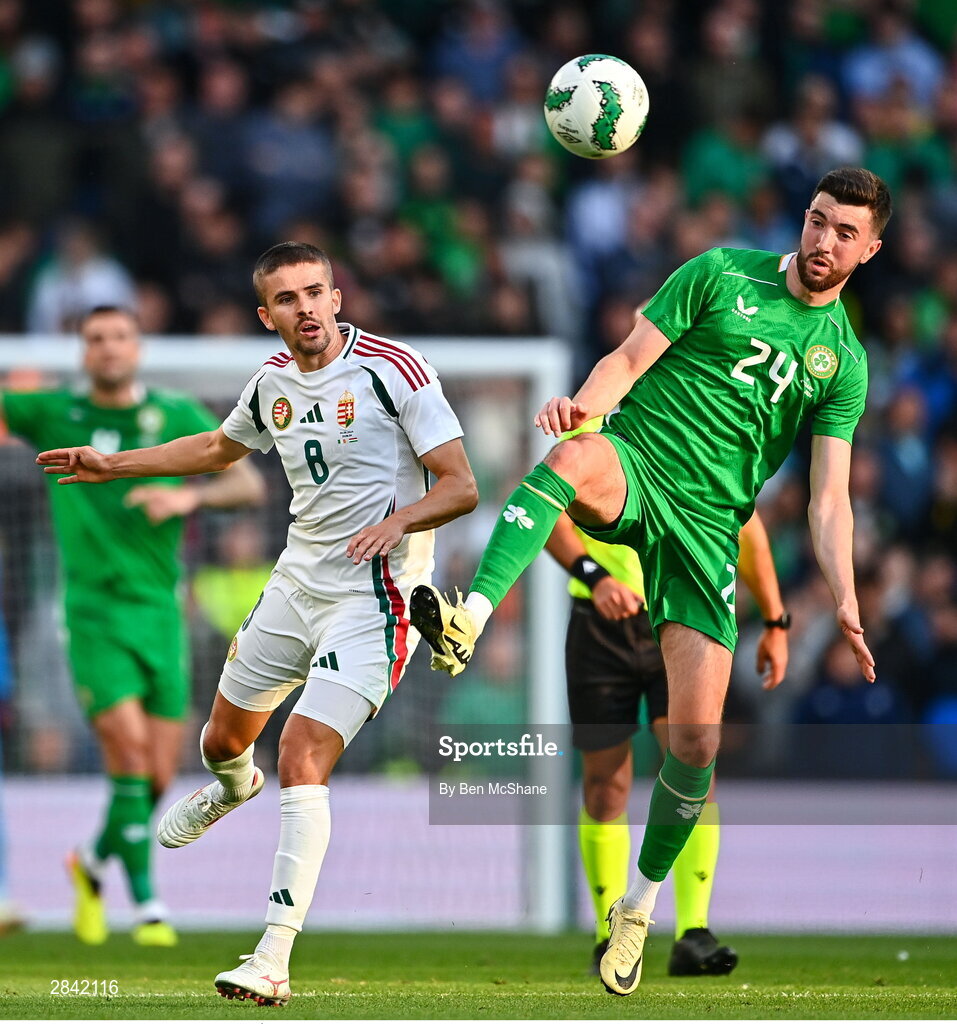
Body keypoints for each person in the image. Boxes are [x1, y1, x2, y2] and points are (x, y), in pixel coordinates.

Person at [410, 167, 890, 994]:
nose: (822, 242)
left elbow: (828, 500)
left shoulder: (841, 362)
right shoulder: (719, 273)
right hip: (635, 463)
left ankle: (638, 909)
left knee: (694, 748)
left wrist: (842, 599)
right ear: (801, 219)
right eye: (816, 222)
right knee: (565, 458)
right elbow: (627, 357)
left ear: (870, 249)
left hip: (710, 531)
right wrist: (584, 409)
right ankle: (470, 614)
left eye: (844, 233)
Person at [36, 242, 477, 1006]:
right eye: (287, 298)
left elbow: (461, 485)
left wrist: (397, 523)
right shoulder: (270, 382)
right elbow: (215, 449)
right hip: (293, 586)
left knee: (303, 754)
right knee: (219, 745)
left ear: (337, 298)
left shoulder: (394, 369)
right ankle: (233, 788)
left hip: (377, 598)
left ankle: (270, 959)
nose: (304, 308)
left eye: (315, 293)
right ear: (264, 314)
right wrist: (114, 465)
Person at [1, 305, 265, 946]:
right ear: (83, 352)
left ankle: (90, 865)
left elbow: (248, 487)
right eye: (95, 338)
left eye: (120, 336)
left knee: (156, 772)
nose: (109, 348)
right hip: (91, 612)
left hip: (159, 612)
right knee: (125, 751)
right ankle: (149, 905)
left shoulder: (174, 416)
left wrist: (187, 495)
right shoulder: (52, 411)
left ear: (138, 348)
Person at [546, 493, 788, 976]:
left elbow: (749, 527)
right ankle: (608, 935)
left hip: (679, 614)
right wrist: (594, 577)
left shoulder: (685, 426)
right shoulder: (577, 421)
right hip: (599, 624)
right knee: (606, 785)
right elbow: (542, 512)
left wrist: (776, 619)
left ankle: (693, 931)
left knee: (694, 766)